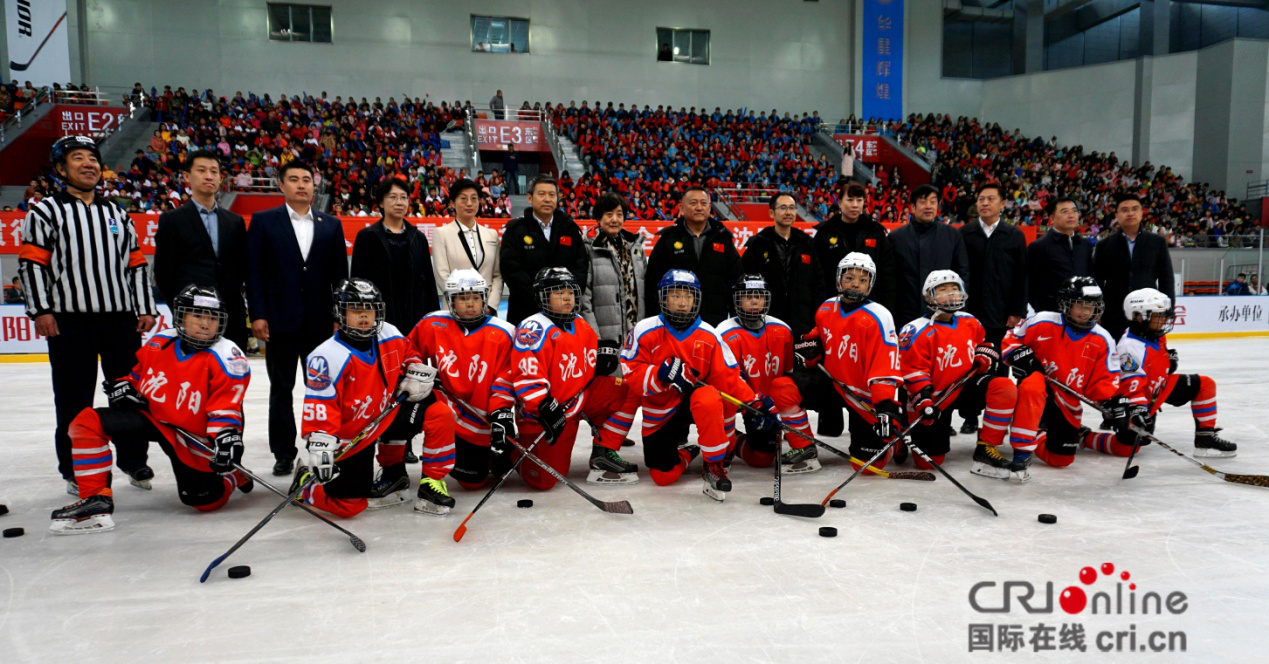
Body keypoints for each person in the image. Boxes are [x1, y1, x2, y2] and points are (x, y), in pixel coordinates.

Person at [49, 286, 251, 533]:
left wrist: (225, 438)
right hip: (151, 416)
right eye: (197, 316)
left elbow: (226, 406)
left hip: (188, 434)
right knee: (86, 422)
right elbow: (138, 376)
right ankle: (95, 500)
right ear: (180, 317)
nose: (205, 324)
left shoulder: (228, 356)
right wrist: (124, 387)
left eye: (212, 317)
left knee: (203, 500)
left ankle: (232, 476)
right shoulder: (160, 342)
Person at [19, 136, 158, 492]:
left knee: (127, 395)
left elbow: (136, 265)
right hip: (70, 321)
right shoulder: (45, 211)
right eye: (77, 158)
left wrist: (143, 307)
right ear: (61, 169)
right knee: (72, 399)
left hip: (120, 321)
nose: (88, 164)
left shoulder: (116, 212)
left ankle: (133, 461)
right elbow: (33, 266)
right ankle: (74, 469)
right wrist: (40, 311)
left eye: (92, 158)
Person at [620, 269, 777, 500]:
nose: (682, 303)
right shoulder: (645, 329)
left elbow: (729, 377)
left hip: (701, 405)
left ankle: (714, 464)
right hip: (662, 408)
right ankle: (689, 452)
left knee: (709, 396)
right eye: (675, 296)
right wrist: (659, 374)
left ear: (696, 299)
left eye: (688, 296)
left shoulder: (709, 335)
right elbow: (630, 371)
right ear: (663, 298)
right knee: (663, 477)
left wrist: (754, 405)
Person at [293, 279, 435, 518]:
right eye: (355, 310)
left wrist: (413, 367)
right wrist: (321, 443)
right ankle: (305, 485)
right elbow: (320, 406)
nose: (363, 317)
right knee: (351, 505)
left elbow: (408, 351)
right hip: (354, 433)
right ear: (340, 312)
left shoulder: (388, 333)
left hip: (385, 415)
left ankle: (396, 474)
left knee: (437, 411)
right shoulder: (325, 356)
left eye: (368, 310)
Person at [246, 161, 349, 476]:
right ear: (281, 185)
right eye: (294, 179)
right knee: (281, 388)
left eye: (307, 179)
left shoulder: (330, 224)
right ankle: (283, 452)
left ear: (314, 185)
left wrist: (337, 316)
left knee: (322, 388)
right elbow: (255, 273)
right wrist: (258, 315)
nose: (301, 185)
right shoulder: (264, 222)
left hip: (320, 323)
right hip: (279, 322)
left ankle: (324, 443)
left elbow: (339, 277)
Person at [390, 269, 517, 510]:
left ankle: (500, 454)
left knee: (483, 477)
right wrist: (416, 367)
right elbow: (408, 348)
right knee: (401, 415)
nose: (470, 304)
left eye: (475, 297)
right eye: (462, 298)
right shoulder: (433, 323)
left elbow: (507, 377)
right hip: (446, 405)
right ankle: (393, 472)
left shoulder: (504, 332)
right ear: (450, 300)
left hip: (479, 418)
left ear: (485, 298)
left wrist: (501, 412)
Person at [897, 271, 1024, 480]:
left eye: (954, 289)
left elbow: (983, 344)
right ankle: (900, 433)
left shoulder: (969, 321)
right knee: (928, 463)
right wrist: (923, 397)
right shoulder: (915, 329)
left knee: (1004, 386)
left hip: (964, 385)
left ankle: (986, 447)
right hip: (933, 398)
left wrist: (984, 353)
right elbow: (911, 370)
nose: (951, 295)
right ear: (929, 297)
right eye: (943, 290)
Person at [1083, 288, 1235, 459]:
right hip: (1137, 401)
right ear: (1139, 315)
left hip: (1158, 388)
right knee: (1126, 448)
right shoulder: (1130, 347)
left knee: (1205, 384)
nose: (1164, 320)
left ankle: (1205, 438)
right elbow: (1131, 384)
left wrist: (1168, 360)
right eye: (1158, 315)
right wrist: (1138, 409)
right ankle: (1083, 436)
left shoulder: (1155, 334)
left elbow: (1156, 361)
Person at [792, 253, 902, 473]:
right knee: (784, 388)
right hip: (833, 383)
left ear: (870, 284)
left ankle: (895, 440)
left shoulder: (879, 316)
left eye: (863, 280)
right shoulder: (825, 308)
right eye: (850, 278)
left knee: (868, 468)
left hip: (863, 395)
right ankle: (804, 447)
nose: (855, 284)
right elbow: (819, 336)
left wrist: (885, 406)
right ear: (838, 279)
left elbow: (884, 365)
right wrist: (807, 347)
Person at [1001, 276, 1124, 471]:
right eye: (1080, 306)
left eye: (1090, 307)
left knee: (1060, 459)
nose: (1085, 312)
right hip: (1036, 388)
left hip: (1067, 399)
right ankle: (1022, 447)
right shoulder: (1043, 321)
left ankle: (1045, 433)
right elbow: (1012, 338)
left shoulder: (1103, 338)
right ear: (1065, 304)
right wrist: (1019, 355)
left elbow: (1106, 379)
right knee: (1032, 384)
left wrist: (1113, 402)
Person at [810, 180, 897, 437]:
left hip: (868, 315)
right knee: (833, 367)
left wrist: (885, 312)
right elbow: (817, 277)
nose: (855, 205)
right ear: (839, 201)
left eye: (860, 200)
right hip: (834, 315)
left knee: (865, 367)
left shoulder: (876, 232)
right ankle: (831, 424)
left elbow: (889, 274)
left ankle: (870, 416)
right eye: (850, 199)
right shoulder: (825, 232)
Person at [717, 275, 816, 474]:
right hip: (746, 403)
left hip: (772, 403)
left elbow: (788, 376)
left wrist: (778, 412)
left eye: (759, 296)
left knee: (762, 459)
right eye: (748, 296)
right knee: (721, 401)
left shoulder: (782, 329)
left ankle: (805, 446)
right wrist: (756, 405)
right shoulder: (724, 333)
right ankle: (726, 444)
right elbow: (729, 381)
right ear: (737, 300)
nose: (754, 301)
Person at [154, 150, 249, 349]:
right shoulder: (172, 220)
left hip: (230, 312)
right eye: (202, 170)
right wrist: (181, 307)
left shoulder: (235, 221)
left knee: (232, 374)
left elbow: (242, 267)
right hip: (192, 315)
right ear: (187, 176)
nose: (209, 176)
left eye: (214, 171)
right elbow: (164, 272)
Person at [955, 182, 1027, 435]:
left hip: (999, 313)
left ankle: (996, 415)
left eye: (990, 199)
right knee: (970, 366)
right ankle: (970, 415)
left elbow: (1021, 276)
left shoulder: (1014, 235)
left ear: (1002, 203)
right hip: (969, 314)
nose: (985, 203)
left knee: (998, 366)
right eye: (981, 199)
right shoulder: (965, 233)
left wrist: (1017, 310)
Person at [350, 178, 440, 335]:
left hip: (414, 320)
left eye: (403, 197)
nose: (399, 202)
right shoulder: (367, 237)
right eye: (393, 197)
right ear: (381, 203)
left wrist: (434, 318)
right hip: (379, 322)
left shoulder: (418, 238)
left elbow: (429, 283)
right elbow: (358, 282)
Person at [643, 187, 742, 326]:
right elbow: (653, 281)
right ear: (682, 209)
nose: (699, 208)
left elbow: (735, 279)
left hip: (715, 320)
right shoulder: (668, 239)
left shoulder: (723, 237)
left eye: (703, 203)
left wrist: (735, 319)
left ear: (709, 208)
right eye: (693, 203)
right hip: (676, 320)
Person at [499, 175, 588, 325]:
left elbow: (581, 267)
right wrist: (543, 299)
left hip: (565, 314)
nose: (547, 199)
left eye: (552, 195)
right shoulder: (516, 231)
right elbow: (511, 270)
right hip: (526, 313)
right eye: (541, 194)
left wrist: (564, 298)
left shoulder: (570, 229)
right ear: (529, 198)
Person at [1091, 192, 1175, 340]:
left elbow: (1166, 279)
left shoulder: (1157, 243)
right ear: (1116, 215)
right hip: (1114, 314)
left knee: (1146, 356)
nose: (1130, 213)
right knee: (1114, 358)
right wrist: (1097, 312)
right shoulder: (1104, 245)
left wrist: (1167, 310)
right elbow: (1097, 281)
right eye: (1124, 210)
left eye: (1135, 209)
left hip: (1149, 312)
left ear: (1142, 213)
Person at [740, 193, 824, 337]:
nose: (788, 213)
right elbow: (744, 284)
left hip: (803, 324)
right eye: (783, 208)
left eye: (792, 208)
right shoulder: (758, 245)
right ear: (771, 213)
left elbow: (819, 286)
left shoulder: (808, 244)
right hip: (767, 323)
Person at [888, 184, 970, 327]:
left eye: (933, 202)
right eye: (923, 201)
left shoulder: (952, 235)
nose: (928, 206)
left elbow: (962, 273)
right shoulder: (896, 238)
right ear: (912, 207)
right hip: (905, 315)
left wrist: (958, 309)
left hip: (943, 314)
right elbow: (889, 278)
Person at [431, 178, 504, 316]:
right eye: (463, 199)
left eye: (474, 198)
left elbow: (497, 275)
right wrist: (464, 304)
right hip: (455, 311)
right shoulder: (441, 233)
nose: (469, 203)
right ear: (452, 203)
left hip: (486, 312)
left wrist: (490, 306)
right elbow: (442, 276)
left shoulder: (491, 234)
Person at [1027, 197, 1092, 314]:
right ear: (1052, 218)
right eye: (1065, 212)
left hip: (1082, 313)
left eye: (1074, 211)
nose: (1071, 215)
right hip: (1050, 313)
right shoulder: (1038, 246)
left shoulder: (1085, 245)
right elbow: (1030, 284)